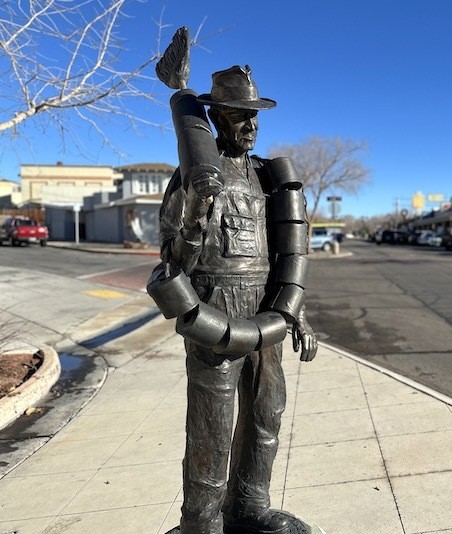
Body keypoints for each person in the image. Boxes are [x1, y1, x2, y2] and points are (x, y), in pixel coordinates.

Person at [157, 65, 317, 534]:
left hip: (265, 311)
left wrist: (298, 314)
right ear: (218, 118)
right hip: (215, 306)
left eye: (254, 116)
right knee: (212, 427)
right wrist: (195, 214)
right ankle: (201, 523)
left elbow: (284, 253)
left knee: (266, 414)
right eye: (239, 115)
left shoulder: (266, 178)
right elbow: (173, 261)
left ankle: (250, 505)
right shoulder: (192, 177)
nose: (251, 126)